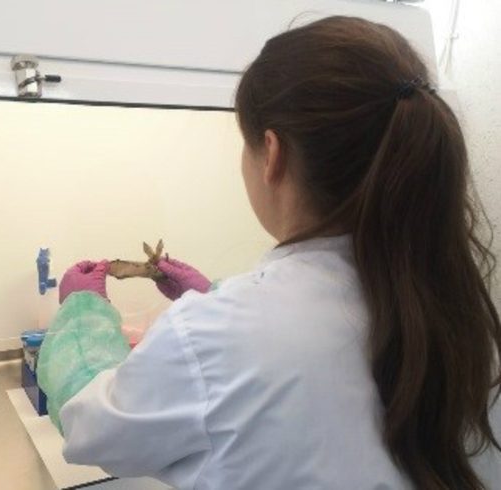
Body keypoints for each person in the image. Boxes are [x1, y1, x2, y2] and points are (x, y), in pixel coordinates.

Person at [36, 16, 501, 490]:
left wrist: (82, 315)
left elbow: (90, 427)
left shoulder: (214, 335)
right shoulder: (454, 304)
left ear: (272, 154)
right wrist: (213, 293)